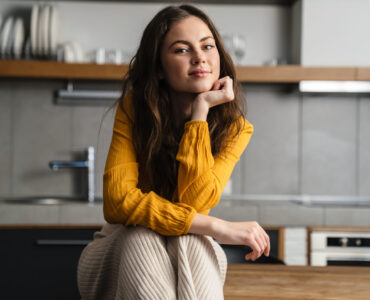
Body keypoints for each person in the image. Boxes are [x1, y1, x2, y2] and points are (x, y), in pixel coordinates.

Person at [77, 4, 270, 300]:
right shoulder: (134, 110)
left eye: (208, 46)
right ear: (158, 67)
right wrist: (217, 227)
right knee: (144, 236)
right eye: (182, 50)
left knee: (190, 240)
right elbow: (118, 202)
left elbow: (193, 202)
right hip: (119, 251)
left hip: (190, 254)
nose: (200, 57)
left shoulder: (235, 128)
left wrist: (200, 113)